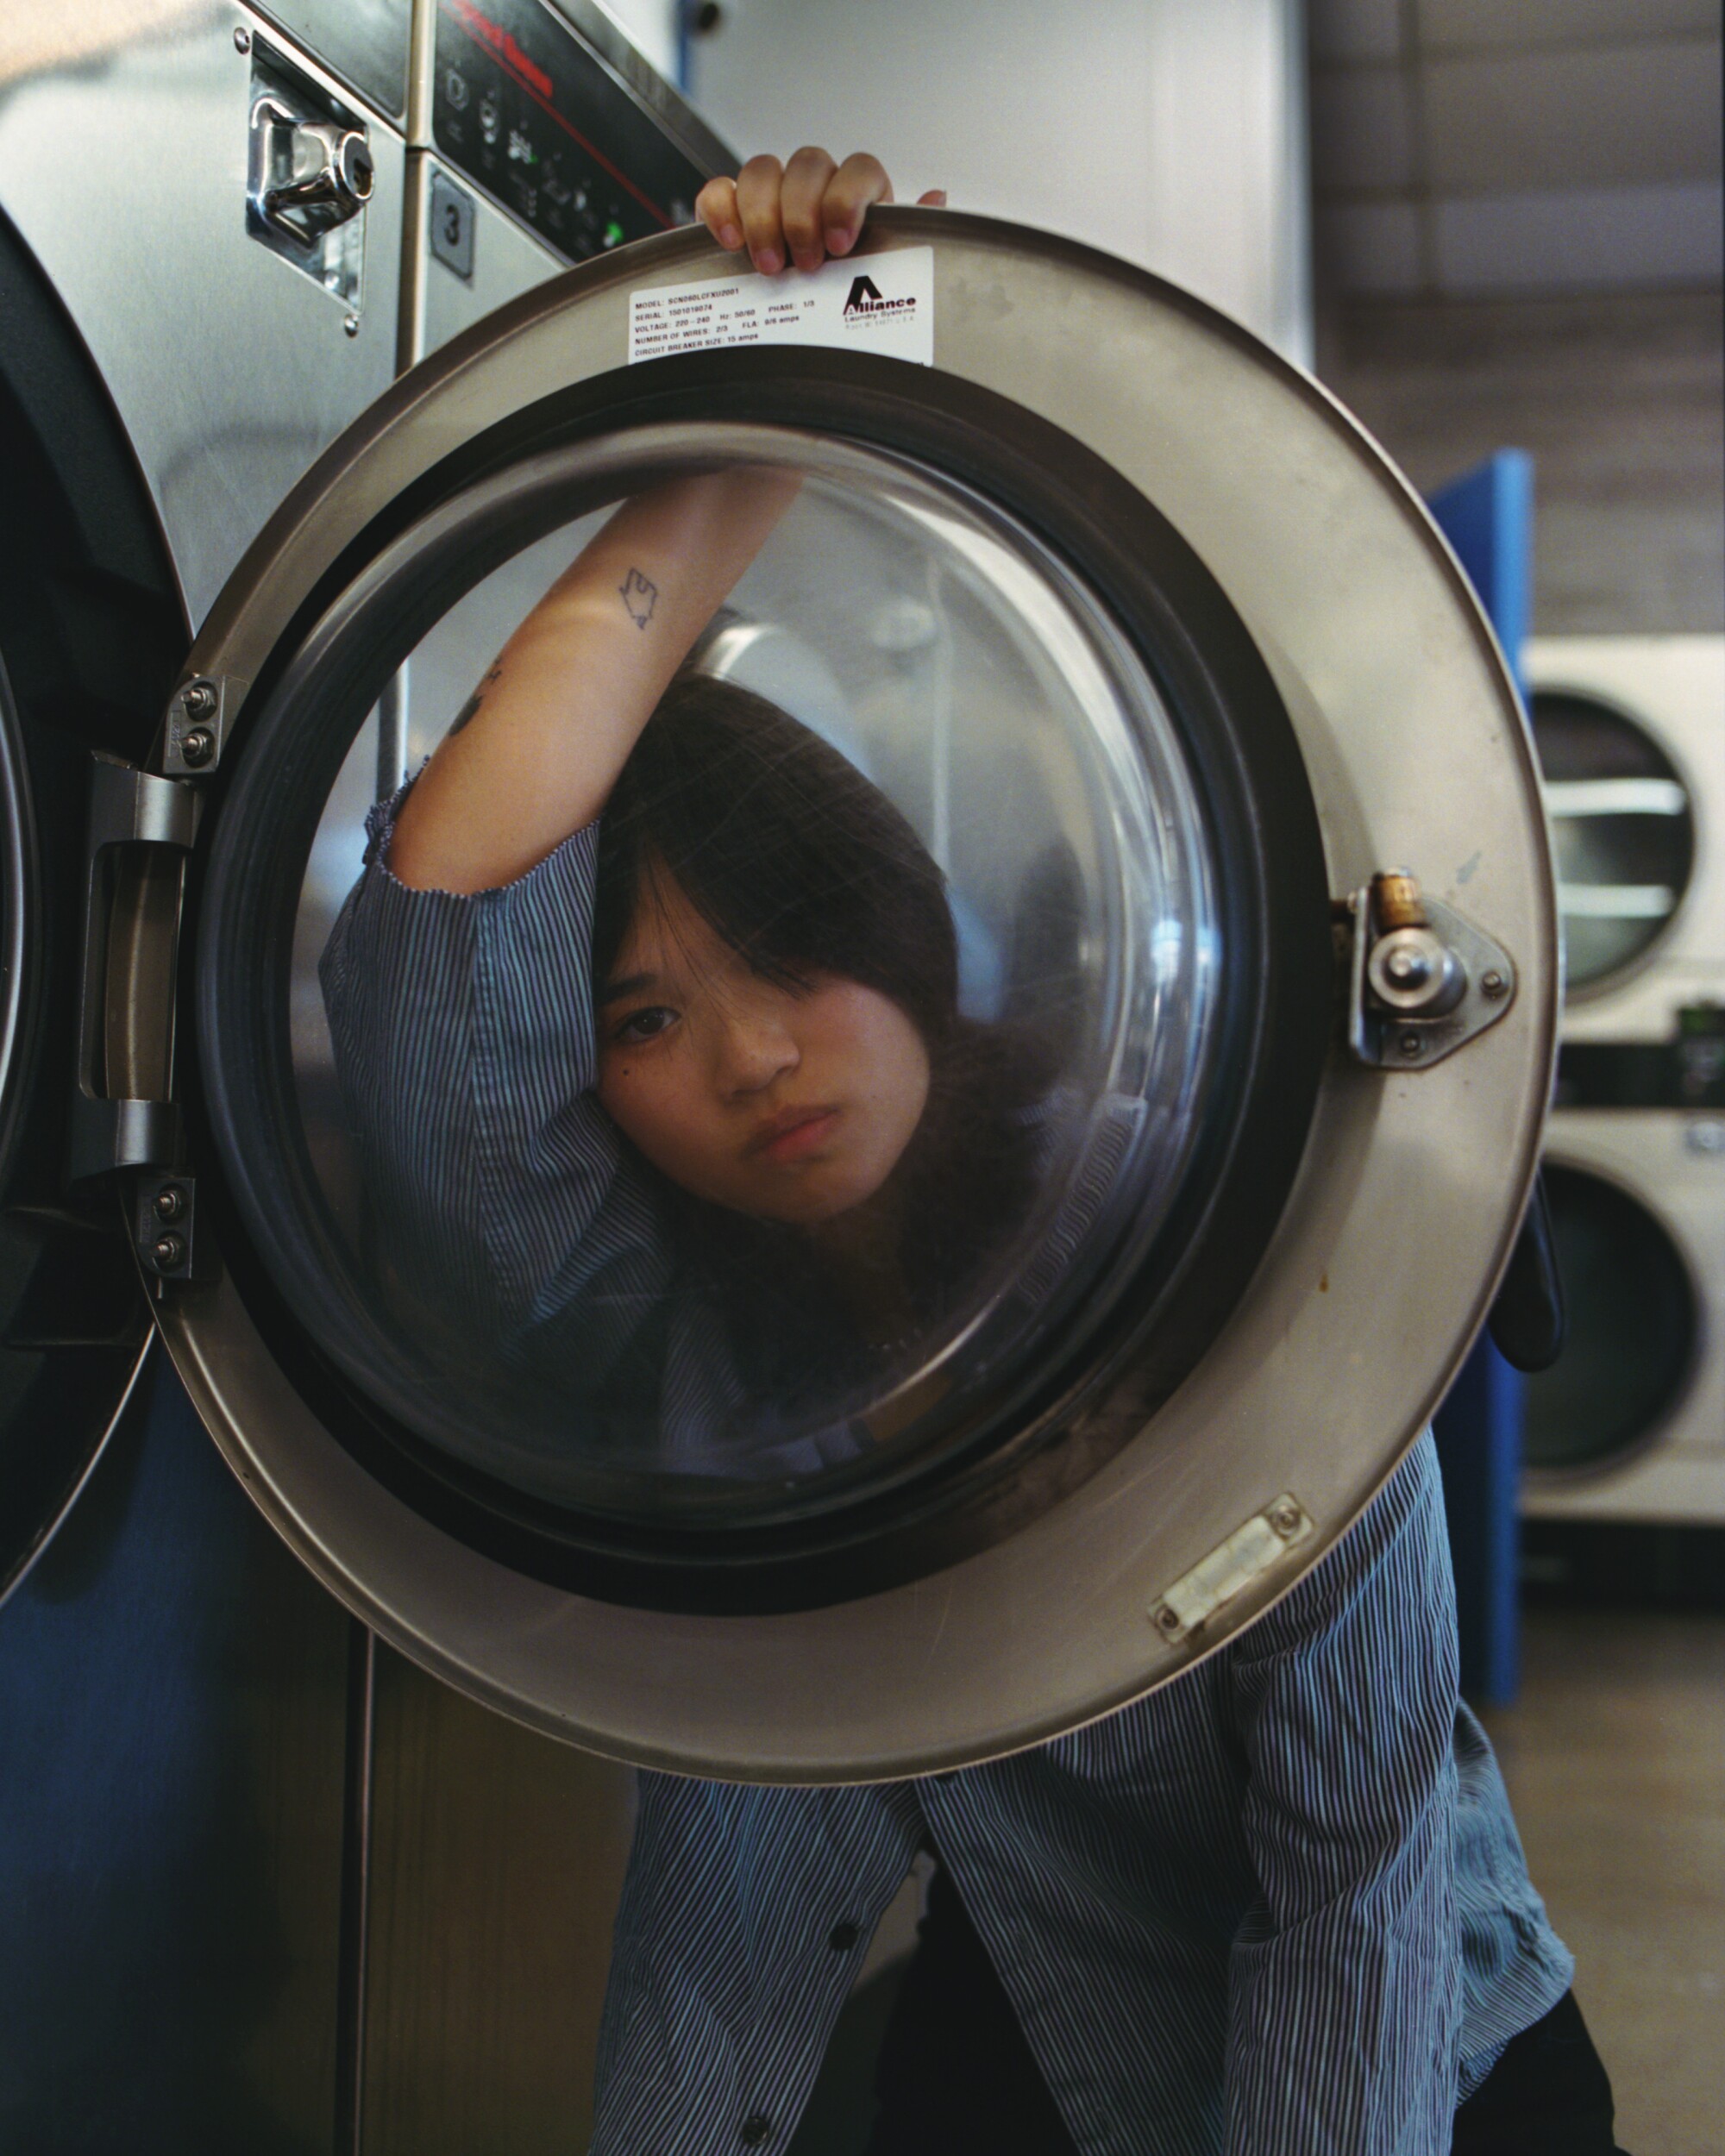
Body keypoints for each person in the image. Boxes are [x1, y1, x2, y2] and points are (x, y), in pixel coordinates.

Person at [323, 148, 1627, 2154]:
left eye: (788, 954)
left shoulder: (1213, 1255)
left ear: (896, 927)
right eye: (645, 1019)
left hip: (1427, 2067)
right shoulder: (674, 1344)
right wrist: (755, 416)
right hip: (1026, 2011)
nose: (754, 1056)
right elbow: (439, 932)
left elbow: (1344, 1884)